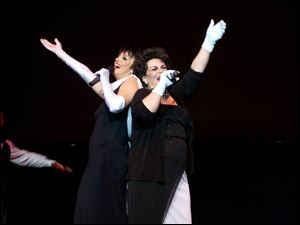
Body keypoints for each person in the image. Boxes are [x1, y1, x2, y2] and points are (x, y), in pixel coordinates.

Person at [127, 19, 227, 224]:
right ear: (144, 77)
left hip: (176, 171)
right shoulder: (141, 95)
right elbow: (145, 113)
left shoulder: (176, 96)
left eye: (163, 67)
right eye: (154, 69)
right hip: (150, 173)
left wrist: (209, 43)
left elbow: (194, 74)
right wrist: (161, 85)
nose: (160, 71)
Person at [40, 38, 142, 224]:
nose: (117, 59)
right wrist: (61, 53)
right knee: (88, 209)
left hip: (112, 157)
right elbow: (86, 73)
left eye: (125, 58)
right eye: (118, 56)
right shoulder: (112, 88)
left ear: (134, 68)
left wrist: (103, 78)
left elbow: (116, 106)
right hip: (99, 157)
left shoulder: (132, 82)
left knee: (106, 211)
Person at [0, 110, 72, 224]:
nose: (1, 120)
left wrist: (52, 163)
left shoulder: (5, 146)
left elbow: (28, 157)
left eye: (1, 118)